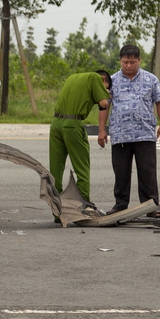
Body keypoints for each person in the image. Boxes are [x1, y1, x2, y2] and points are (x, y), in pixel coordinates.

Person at [97, 44, 160, 218]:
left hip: (144, 134)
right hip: (120, 134)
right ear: (120, 61)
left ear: (139, 61)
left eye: (132, 62)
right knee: (121, 172)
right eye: (125, 62)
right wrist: (101, 130)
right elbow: (104, 106)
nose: (129, 65)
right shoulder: (111, 81)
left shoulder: (151, 79)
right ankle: (120, 205)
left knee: (147, 172)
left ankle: (151, 206)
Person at [49, 71, 111, 222]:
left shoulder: (72, 77)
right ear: (103, 80)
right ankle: (82, 209)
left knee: (55, 170)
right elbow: (103, 104)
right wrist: (108, 95)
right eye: (106, 87)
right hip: (72, 125)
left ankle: (56, 212)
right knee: (82, 169)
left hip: (56, 124)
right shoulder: (96, 78)